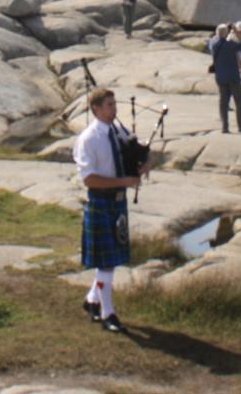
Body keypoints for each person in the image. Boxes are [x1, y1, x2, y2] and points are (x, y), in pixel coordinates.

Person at [73, 87, 150, 334]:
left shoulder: (119, 131)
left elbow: (132, 157)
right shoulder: (88, 139)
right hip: (101, 200)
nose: (114, 109)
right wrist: (124, 182)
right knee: (106, 263)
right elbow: (90, 179)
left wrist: (144, 163)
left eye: (114, 104)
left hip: (118, 201)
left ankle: (92, 300)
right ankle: (108, 314)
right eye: (108, 105)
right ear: (95, 109)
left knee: (110, 260)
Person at [211, 22, 241, 133]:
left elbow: (216, 40)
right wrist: (235, 31)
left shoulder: (214, 44)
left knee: (223, 102)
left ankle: (225, 127)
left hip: (220, 76)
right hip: (233, 77)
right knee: (239, 102)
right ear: (226, 33)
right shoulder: (231, 45)